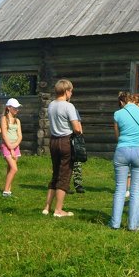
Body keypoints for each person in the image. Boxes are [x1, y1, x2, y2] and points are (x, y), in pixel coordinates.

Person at [110, 91, 139, 232]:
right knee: (135, 191)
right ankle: (133, 225)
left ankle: (115, 223)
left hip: (122, 150)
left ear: (122, 102)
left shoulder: (118, 114)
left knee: (120, 188)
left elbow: (118, 136)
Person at [42, 79, 81, 217]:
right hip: (66, 141)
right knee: (64, 175)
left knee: (55, 173)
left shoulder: (51, 105)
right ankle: (59, 210)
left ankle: (47, 207)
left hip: (53, 141)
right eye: (70, 91)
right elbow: (76, 128)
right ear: (66, 91)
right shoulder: (68, 106)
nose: (71, 93)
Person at [0, 98, 23, 197]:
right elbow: (4, 135)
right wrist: (11, 148)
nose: (17, 110)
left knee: (10, 168)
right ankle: (6, 191)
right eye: (15, 108)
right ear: (8, 108)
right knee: (14, 168)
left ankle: (9, 188)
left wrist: (15, 145)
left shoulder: (17, 120)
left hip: (15, 145)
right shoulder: (4, 119)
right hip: (7, 146)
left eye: (18, 108)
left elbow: (20, 135)